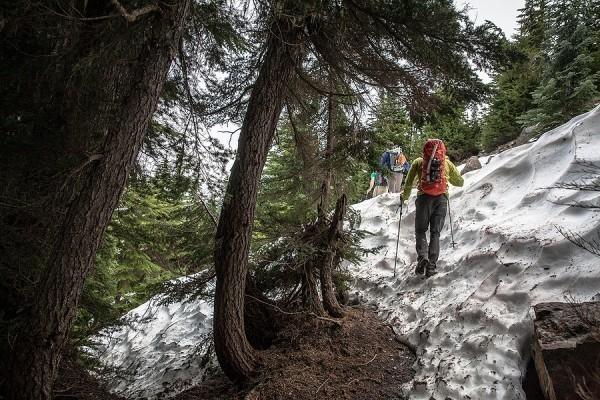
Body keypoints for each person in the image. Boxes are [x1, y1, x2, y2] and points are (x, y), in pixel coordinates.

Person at [401, 139, 463, 278]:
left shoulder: (418, 162)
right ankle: (431, 267)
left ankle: (423, 257)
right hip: (441, 199)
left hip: (423, 199)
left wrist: (403, 197)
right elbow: (459, 182)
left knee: (420, 230)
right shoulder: (446, 163)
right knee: (435, 233)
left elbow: (408, 183)